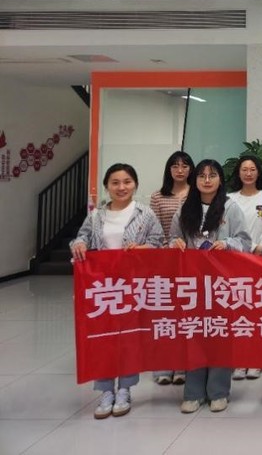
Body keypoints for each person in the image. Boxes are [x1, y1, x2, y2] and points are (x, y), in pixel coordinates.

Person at [70, 163, 164, 419]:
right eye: (115, 182)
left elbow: (158, 244)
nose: (121, 187)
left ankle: (124, 389)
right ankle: (105, 391)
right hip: (102, 288)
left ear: (135, 184)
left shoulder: (145, 214)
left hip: (133, 286)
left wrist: (143, 249)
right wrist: (79, 244)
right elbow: (81, 238)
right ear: (106, 187)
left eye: (127, 182)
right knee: (103, 339)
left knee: (128, 339)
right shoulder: (96, 216)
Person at [170, 159, 251, 414]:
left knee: (220, 335)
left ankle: (218, 391)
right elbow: (172, 238)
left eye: (212, 175)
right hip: (192, 284)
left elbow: (245, 242)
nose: (207, 180)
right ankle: (193, 393)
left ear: (220, 180)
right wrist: (175, 244)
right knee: (194, 334)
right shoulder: (184, 208)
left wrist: (227, 244)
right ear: (194, 180)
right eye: (202, 175)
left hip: (221, 283)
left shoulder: (231, 207)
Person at [227, 155, 262, 381]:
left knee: (259, 310)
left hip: (259, 258)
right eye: (244, 169)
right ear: (238, 172)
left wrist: (257, 247)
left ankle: (257, 359)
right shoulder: (229, 198)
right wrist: (240, 248)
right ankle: (240, 360)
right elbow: (228, 228)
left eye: (252, 169)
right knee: (238, 310)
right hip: (235, 259)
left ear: (258, 172)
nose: (248, 173)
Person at [149, 150, 194, 387]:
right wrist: (169, 246)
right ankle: (164, 366)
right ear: (169, 170)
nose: (180, 170)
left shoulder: (197, 193)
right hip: (165, 261)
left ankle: (184, 366)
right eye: (175, 166)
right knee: (165, 315)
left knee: (187, 314)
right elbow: (155, 229)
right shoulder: (158, 196)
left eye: (185, 166)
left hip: (192, 262)